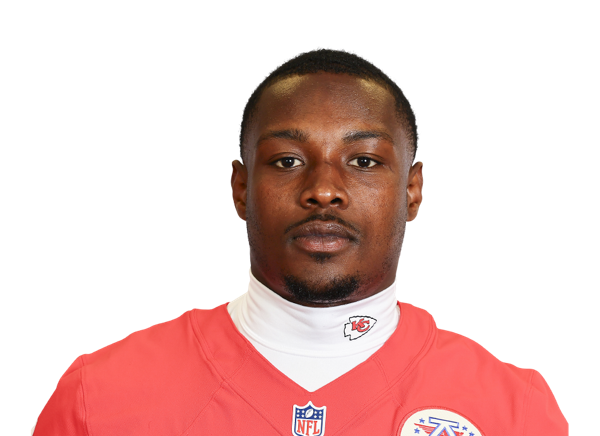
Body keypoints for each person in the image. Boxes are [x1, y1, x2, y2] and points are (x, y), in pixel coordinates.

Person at [31, 47, 567, 435]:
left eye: (364, 161)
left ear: (412, 191)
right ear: (241, 189)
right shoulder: (99, 397)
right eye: (287, 160)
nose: (324, 189)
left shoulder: (514, 412)